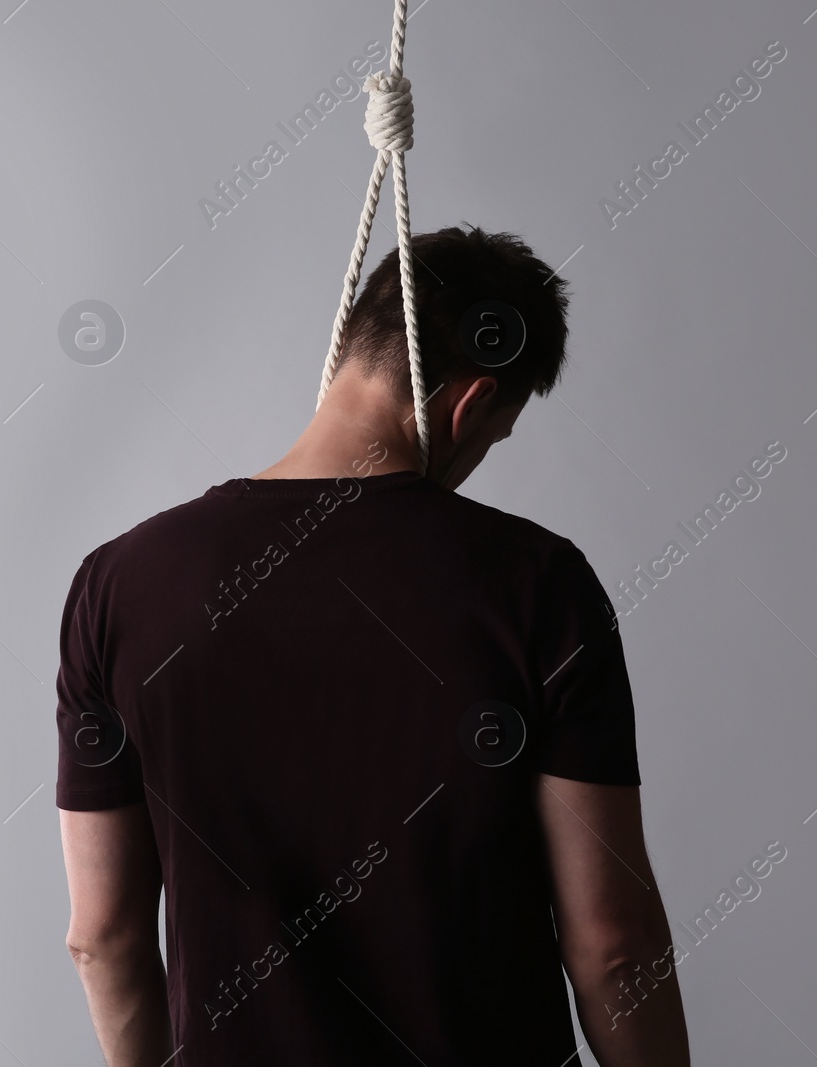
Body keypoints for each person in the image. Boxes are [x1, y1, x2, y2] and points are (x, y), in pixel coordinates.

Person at [55, 225, 690, 1066]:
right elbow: (614, 947)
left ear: (353, 345)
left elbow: (103, 938)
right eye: (492, 440)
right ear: (469, 403)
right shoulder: (541, 584)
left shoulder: (117, 587)